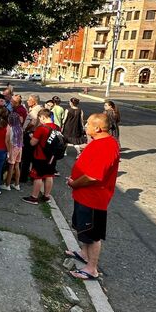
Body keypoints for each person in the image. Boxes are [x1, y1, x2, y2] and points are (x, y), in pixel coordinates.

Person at [65, 113, 120, 280]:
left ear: (98, 127)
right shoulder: (99, 142)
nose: (85, 126)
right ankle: (84, 253)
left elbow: (93, 176)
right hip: (84, 196)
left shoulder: (107, 146)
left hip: (94, 198)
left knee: (92, 233)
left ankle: (91, 268)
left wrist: (75, 183)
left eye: (87, 124)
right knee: (83, 228)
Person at [22, 109, 60, 205]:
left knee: (38, 176)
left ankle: (34, 197)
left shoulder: (41, 128)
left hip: (40, 155)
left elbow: (32, 142)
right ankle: (47, 196)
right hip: (52, 156)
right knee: (49, 175)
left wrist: (31, 136)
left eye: (40, 118)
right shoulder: (57, 128)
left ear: (43, 117)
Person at [3, 95, 25, 191]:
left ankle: (7, 184)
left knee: (11, 166)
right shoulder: (19, 128)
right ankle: (17, 184)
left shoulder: (11, 128)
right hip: (20, 147)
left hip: (13, 148)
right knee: (17, 165)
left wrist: (8, 151)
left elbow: (8, 140)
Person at [19, 94, 42, 183]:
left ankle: (23, 177)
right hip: (34, 134)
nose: (27, 101)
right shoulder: (36, 109)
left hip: (31, 134)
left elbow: (33, 122)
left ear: (34, 101)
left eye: (29, 100)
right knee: (32, 157)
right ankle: (32, 176)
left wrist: (25, 129)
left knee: (26, 157)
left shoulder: (35, 110)